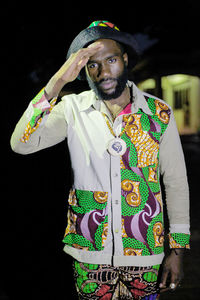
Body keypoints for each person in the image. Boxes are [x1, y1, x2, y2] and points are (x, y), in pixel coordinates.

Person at [11, 20, 190, 299]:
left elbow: (176, 183)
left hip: (144, 252)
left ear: (125, 59)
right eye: (92, 64)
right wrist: (57, 83)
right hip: (89, 251)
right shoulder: (72, 109)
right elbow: (21, 144)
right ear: (83, 70)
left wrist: (177, 250)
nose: (104, 71)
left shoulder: (159, 113)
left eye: (111, 60)